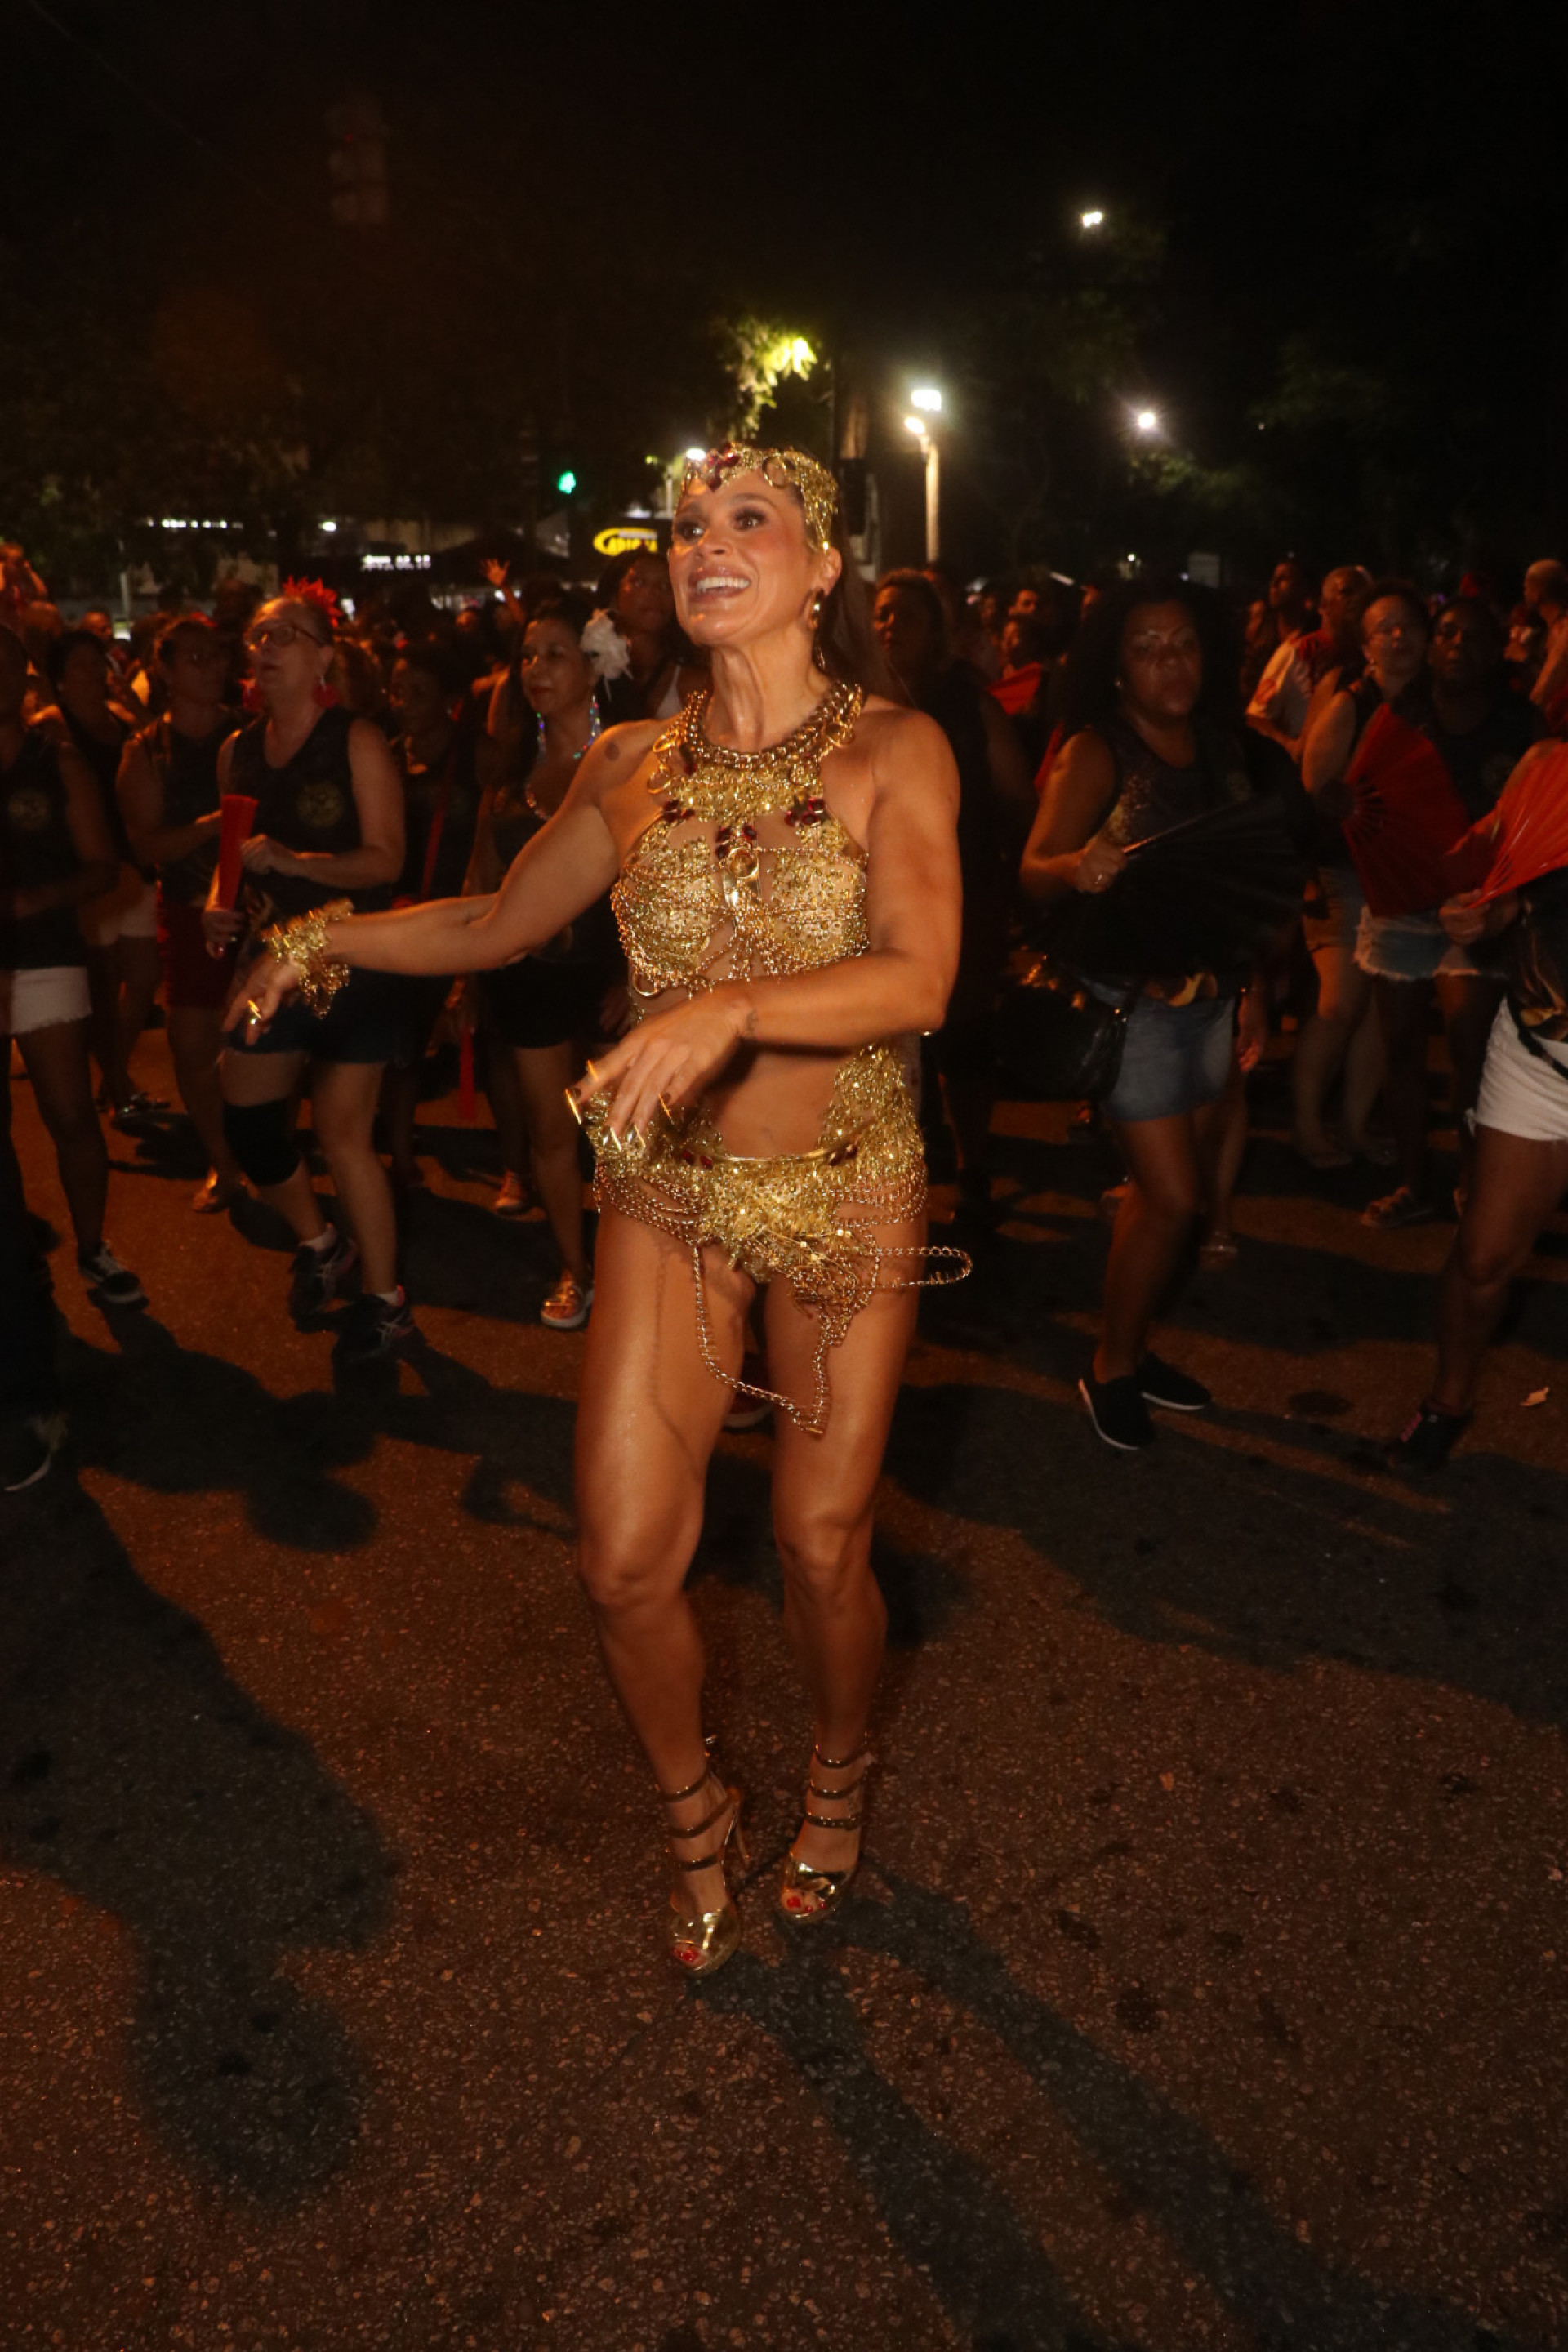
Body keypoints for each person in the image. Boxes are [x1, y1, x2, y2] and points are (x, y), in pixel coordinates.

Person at [240, 443, 964, 1975]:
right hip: (672, 1195)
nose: (707, 542)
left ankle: (840, 1775)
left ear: (823, 568)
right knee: (624, 1559)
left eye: (748, 520)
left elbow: (920, 975)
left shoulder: (897, 750)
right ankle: (695, 1803)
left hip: (847, 1186)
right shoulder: (629, 763)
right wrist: (325, 939)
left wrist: (734, 1011)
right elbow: (500, 920)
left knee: (822, 1547)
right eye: (690, 525)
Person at [1020, 578, 1272, 1451]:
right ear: (1116, 669)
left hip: (1209, 1000)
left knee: (1167, 1200)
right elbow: (1031, 867)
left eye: (1184, 643)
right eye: (1146, 646)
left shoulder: (1220, 748)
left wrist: (1253, 993)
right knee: (1173, 1199)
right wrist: (1073, 865)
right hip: (1134, 1009)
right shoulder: (1099, 749)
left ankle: (1131, 1347)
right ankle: (1111, 1364)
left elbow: (1239, 885)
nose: (1171, 660)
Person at [203, 584, 415, 1363]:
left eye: (286, 636)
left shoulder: (354, 737)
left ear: (324, 654)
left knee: (343, 1136)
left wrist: (298, 861)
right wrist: (215, 906)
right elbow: (229, 859)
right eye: (259, 637)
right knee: (251, 1122)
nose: (266, 650)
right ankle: (321, 1241)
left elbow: (387, 858)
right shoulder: (238, 749)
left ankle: (386, 1302)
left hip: (351, 952)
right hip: (267, 962)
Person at [1387, 745, 1568, 1470]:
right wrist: (1478, 915)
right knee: (1484, 1256)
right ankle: (1447, 1401)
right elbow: (1509, 895)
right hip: (1539, 1059)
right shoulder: (1548, 770)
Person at [462, 590, 624, 1328]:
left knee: (631, 1137)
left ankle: (642, 1274)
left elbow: (664, 877)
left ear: (593, 668)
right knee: (551, 1133)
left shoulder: (626, 761)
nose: (536, 669)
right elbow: (477, 883)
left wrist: (637, 974)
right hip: (527, 977)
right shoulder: (511, 766)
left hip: (612, 974)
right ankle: (576, 1268)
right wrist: (468, 971)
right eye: (528, 656)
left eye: (555, 654)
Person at [1303, 581, 1484, 1225]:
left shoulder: (1508, 717)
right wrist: (1340, 808)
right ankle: (1411, 1179)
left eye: (1415, 626)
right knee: (1395, 1040)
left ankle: (1473, 1183)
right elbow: (1321, 788)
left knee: (1467, 1045)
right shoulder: (1379, 710)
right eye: (1391, 629)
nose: (1409, 639)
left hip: (1474, 905)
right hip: (1391, 896)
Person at [872, 568, 1034, 1221]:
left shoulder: (967, 703)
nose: (890, 627)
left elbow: (1019, 797)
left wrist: (1021, 888)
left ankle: (972, 1165)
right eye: (882, 614)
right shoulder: (851, 700)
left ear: (935, 631)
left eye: (906, 616)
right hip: (872, 899)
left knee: (961, 1035)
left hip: (959, 896)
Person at [0, 622, 145, 1308]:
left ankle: (92, 1247)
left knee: (68, 1112)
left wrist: (36, 899)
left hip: (45, 957)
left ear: (25, 682)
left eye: (4, 666)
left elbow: (103, 868)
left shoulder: (53, 761)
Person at [118, 615, 245, 1211]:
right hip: (191, 909)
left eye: (218, 655)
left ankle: (264, 1151)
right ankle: (224, 1163)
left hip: (258, 911)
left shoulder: (250, 734)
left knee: (269, 1040)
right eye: (195, 658)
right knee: (191, 1046)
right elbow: (146, 845)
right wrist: (214, 826)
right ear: (164, 671)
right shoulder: (146, 751)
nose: (213, 667)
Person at [39, 628, 163, 1125]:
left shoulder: (121, 721)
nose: (93, 674)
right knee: (105, 988)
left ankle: (113, 1075)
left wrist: (135, 714)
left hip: (133, 866)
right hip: (91, 874)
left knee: (145, 977)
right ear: (60, 681)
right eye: (80, 667)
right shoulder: (52, 727)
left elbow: (157, 749)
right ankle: (117, 1086)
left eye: (98, 663)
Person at [380, 642, 486, 1190]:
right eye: (397, 691)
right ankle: (399, 1153)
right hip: (398, 919)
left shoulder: (474, 762)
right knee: (400, 1044)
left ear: (449, 701)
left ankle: (517, 1162)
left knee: (472, 1040)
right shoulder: (384, 758)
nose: (404, 703)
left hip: (461, 917)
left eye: (418, 693)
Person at [1247, 564, 1370, 763]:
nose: (1356, 599)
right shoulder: (1297, 652)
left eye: (1363, 593)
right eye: (1346, 592)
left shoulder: (1370, 656)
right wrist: (1291, 746)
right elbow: (1255, 718)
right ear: (1324, 604)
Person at [595, 547, 703, 722]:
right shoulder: (589, 671)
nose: (654, 592)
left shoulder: (692, 684)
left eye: (666, 586)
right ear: (615, 594)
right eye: (639, 582)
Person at [1523, 559, 1568, 733]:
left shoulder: (1563, 630)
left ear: (1537, 594)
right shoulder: (1549, 630)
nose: (1524, 594)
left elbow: (1541, 694)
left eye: (1526, 588)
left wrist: (1523, 659)